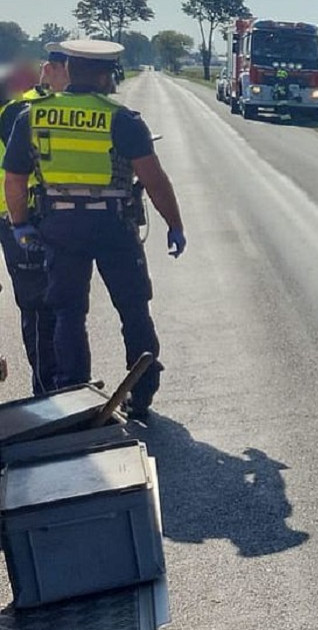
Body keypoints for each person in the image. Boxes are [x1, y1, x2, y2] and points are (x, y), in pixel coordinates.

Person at [2, 40, 186, 419]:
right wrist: (174, 224)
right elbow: (154, 179)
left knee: (68, 312)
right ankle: (142, 391)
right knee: (133, 308)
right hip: (114, 227)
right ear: (105, 75)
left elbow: (15, 180)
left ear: (67, 70)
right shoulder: (122, 119)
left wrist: (21, 226)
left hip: (59, 228)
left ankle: (74, 395)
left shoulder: (32, 116)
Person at [0, 46, 70, 395]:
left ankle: (56, 387)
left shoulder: (42, 104)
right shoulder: (21, 110)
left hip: (31, 215)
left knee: (52, 304)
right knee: (40, 306)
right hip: (19, 216)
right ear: (52, 70)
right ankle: (48, 396)